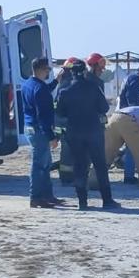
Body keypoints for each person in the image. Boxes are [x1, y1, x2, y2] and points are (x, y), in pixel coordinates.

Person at [56, 60, 121, 210]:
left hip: (75, 133)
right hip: (93, 132)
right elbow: (104, 107)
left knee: (79, 167)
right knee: (100, 166)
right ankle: (107, 200)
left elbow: (60, 112)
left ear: (71, 72)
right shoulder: (94, 87)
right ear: (85, 71)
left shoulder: (65, 91)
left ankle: (82, 202)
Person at [22, 57, 66, 208]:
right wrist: (51, 136)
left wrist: (56, 82)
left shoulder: (28, 84)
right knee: (40, 165)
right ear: (41, 69)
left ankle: (47, 195)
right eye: (47, 69)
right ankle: (36, 197)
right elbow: (43, 115)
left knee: (45, 164)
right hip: (39, 130)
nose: (49, 71)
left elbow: (43, 91)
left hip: (30, 128)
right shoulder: (40, 89)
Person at [55, 57, 80, 186]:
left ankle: (66, 176)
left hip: (62, 123)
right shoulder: (70, 84)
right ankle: (67, 177)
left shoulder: (62, 83)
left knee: (67, 151)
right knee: (69, 152)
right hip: (68, 123)